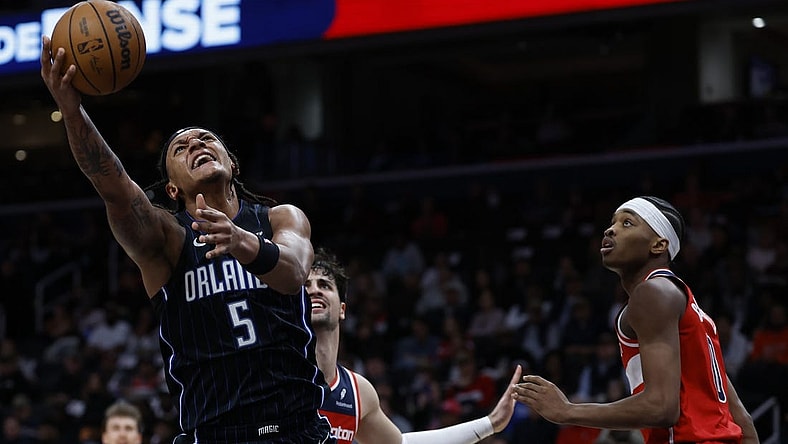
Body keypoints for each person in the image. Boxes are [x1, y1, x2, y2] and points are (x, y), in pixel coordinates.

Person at [41, 37, 333, 444]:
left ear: (231, 163)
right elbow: (114, 186)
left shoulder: (281, 217)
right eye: (181, 147)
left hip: (298, 429)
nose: (196, 144)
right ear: (173, 190)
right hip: (215, 434)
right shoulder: (168, 241)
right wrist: (72, 111)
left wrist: (239, 241)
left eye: (206, 139)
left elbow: (293, 272)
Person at [512, 196, 759, 444]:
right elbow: (745, 424)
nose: (611, 229)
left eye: (627, 223)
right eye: (613, 222)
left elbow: (661, 407)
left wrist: (567, 411)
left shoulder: (652, 293)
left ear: (658, 245)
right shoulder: (685, 305)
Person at [305, 247, 523, 444]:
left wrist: (491, 423)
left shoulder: (357, 392)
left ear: (342, 309)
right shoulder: (274, 372)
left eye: (324, 285)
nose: (315, 290)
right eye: (306, 286)